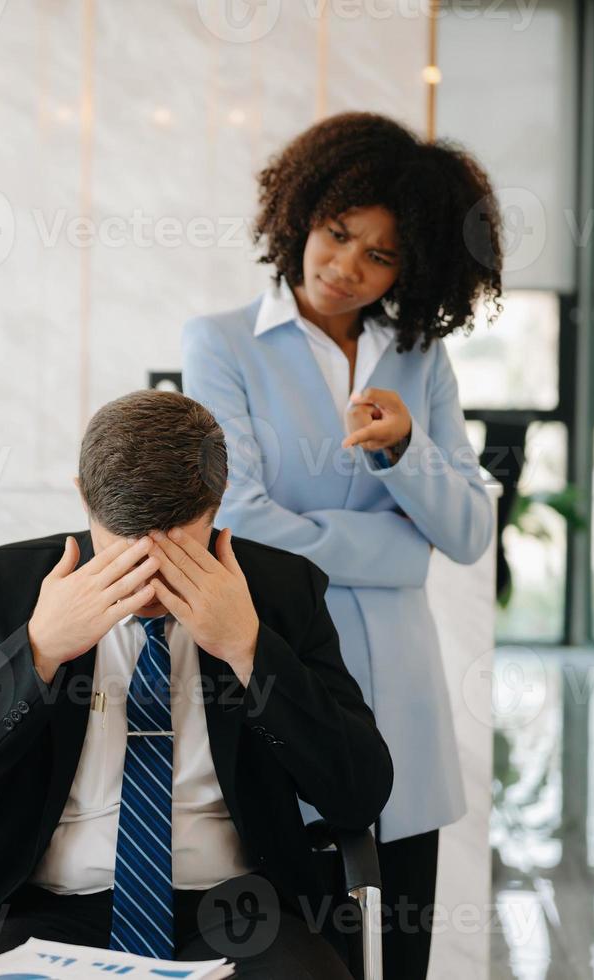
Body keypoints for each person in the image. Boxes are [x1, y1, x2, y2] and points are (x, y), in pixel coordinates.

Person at [0, 390, 392, 980]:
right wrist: (36, 652)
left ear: (218, 502)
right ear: (83, 497)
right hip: (39, 909)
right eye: (126, 557)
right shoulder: (2, 586)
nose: (148, 586)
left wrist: (250, 651)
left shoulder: (283, 592)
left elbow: (358, 794)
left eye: (175, 558)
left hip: (240, 912)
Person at [180, 111, 500, 979]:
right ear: (301, 216)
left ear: (416, 264)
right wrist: (396, 555)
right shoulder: (220, 345)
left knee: (398, 957)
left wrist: (404, 450)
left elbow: (469, 531)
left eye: (381, 254)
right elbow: (237, 518)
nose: (345, 269)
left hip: (405, 709)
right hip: (283, 691)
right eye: (336, 234)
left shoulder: (420, 361)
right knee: (298, 955)